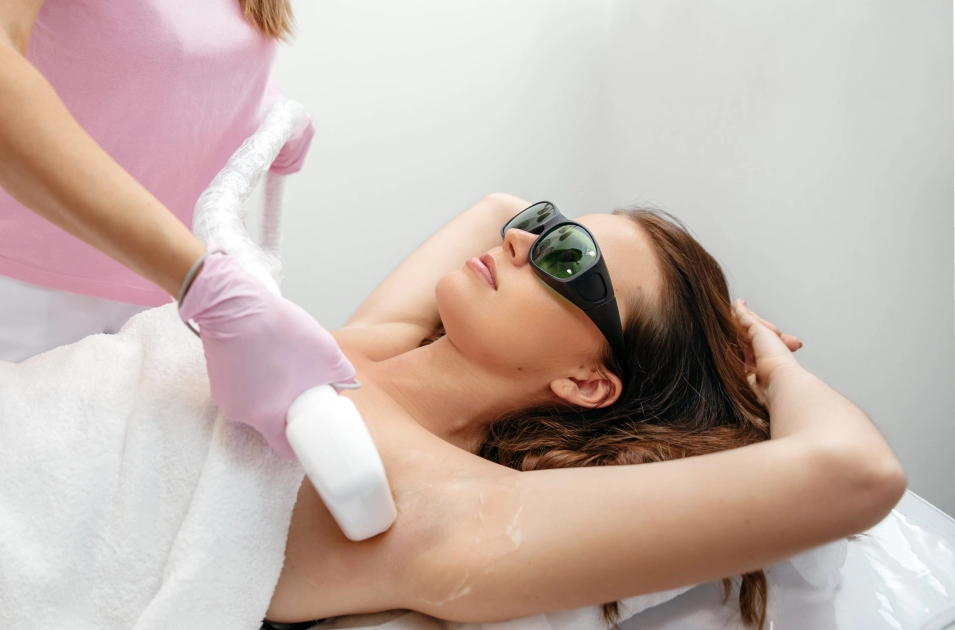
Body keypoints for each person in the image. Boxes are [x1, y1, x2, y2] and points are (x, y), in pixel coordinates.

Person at [261, 194, 905, 628]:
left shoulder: (443, 505)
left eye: (566, 258)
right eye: (550, 228)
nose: (517, 238)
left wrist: (770, 360)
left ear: (588, 383)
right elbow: (500, 207)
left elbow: (857, 472)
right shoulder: (372, 340)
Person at [0, 0, 351, 454]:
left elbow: (175, 48)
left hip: (169, 285)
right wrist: (202, 282)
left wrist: (264, 109)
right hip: (29, 280)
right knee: (41, 477)